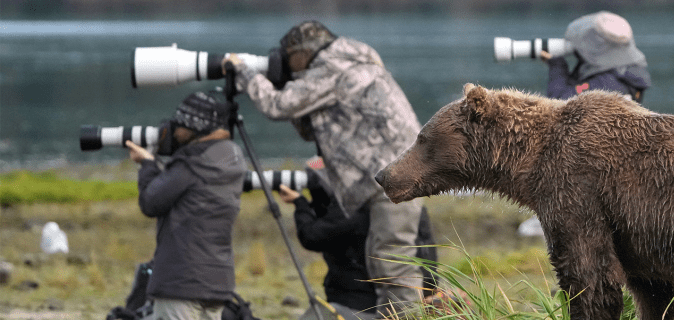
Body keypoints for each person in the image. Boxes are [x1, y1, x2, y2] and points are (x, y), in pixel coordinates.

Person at [222, 20, 424, 317]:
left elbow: (277, 106)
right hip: (397, 172)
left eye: (289, 59)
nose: (290, 67)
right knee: (386, 259)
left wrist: (244, 70)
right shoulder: (353, 62)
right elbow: (311, 126)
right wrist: (283, 84)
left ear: (303, 53)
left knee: (392, 261)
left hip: (393, 176)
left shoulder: (332, 69)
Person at [125, 91, 246, 320]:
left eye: (179, 124)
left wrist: (148, 164)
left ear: (193, 127)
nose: (174, 130)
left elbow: (151, 202)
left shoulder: (191, 164)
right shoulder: (232, 157)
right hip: (217, 283)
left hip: (181, 283)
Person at [278, 162, 440, 320]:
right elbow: (428, 253)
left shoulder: (354, 203)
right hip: (406, 302)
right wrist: (427, 294)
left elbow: (312, 236)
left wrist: (301, 204)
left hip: (357, 306)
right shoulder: (407, 201)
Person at [543, 11, 652, 103]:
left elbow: (559, 104)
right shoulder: (628, 73)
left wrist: (557, 66)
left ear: (599, 45)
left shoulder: (606, 84)